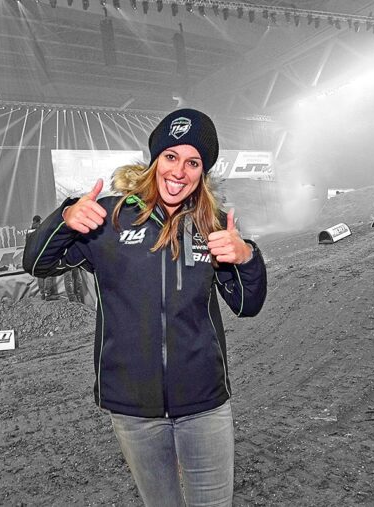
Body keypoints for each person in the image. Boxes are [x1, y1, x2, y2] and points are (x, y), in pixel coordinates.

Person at [23, 108, 267, 506]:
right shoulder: (110, 218)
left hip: (204, 403)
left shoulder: (213, 224)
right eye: (171, 156)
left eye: (193, 162)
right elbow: (37, 264)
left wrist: (246, 257)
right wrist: (65, 218)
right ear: (155, 160)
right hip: (134, 407)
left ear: (202, 173)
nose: (179, 171)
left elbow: (248, 304)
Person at [27, 215, 56, 300]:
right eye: (39, 222)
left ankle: (42, 294)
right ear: (36, 222)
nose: (40, 224)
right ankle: (48, 294)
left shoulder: (29, 231)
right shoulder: (39, 230)